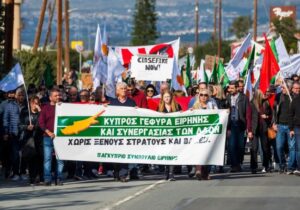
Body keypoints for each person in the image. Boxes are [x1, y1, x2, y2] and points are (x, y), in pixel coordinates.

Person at [109, 82, 136, 181]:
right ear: (117, 91)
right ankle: (116, 172)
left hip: (127, 133)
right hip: (116, 134)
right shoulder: (112, 103)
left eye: (125, 89)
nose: (124, 90)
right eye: (121, 88)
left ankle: (123, 174)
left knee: (124, 153)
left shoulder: (131, 102)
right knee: (116, 155)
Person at [38, 88, 64, 186]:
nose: (58, 97)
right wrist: (48, 132)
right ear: (50, 98)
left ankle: (59, 178)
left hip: (61, 137)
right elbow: (41, 122)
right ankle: (47, 178)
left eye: (59, 95)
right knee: (48, 158)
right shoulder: (45, 108)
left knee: (60, 159)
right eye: (56, 95)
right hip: (48, 137)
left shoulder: (64, 107)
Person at [226, 81, 251, 172]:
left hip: (241, 124)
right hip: (231, 124)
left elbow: (248, 113)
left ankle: (239, 163)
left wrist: (248, 128)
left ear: (237, 88)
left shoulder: (244, 98)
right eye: (229, 88)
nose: (230, 90)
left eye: (232, 88)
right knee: (231, 146)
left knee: (240, 146)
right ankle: (234, 165)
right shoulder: (228, 97)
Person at [192, 88, 217, 180]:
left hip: (209, 133)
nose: (203, 97)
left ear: (208, 96)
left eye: (205, 95)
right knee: (198, 151)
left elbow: (218, 114)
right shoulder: (195, 105)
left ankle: (206, 172)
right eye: (201, 95)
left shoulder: (212, 105)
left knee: (208, 152)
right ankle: (198, 170)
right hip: (198, 133)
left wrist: (225, 112)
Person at [157, 90, 182, 181]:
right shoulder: (159, 107)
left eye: (168, 96)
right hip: (164, 134)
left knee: (172, 152)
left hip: (174, 134)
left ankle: (171, 173)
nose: (167, 98)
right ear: (162, 98)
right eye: (165, 97)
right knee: (165, 153)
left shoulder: (177, 106)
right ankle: (167, 172)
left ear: (171, 97)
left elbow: (182, 117)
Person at [273, 81, 296, 174]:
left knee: (292, 147)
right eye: (281, 87)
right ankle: (282, 165)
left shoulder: (294, 97)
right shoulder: (278, 97)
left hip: (291, 127)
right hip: (280, 125)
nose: (281, 89)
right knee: (279, 146)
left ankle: (290, 167)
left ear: (289, 88)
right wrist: (274, 123)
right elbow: (274, 110)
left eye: (283, 87)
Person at [19, 96, 44, 185]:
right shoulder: (25, 112)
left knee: (40, 158)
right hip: (29, 138)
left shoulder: (41, 113)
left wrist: (40, 111)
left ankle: (41, 178)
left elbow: (43, 123)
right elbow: (20, 125)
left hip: (40, 138)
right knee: (31, 159)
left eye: (37, 103)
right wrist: (27, 127)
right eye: (33, 103)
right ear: (30, 104)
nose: (35, 105)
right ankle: (32, 178)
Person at [248, 90, 273, 174]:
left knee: (265, 148)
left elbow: (271, 115)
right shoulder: (252, 103)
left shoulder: (266, 102)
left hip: (264, 128)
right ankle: (253, 167)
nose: (264, 95)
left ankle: (266, 166)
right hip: (254, 128)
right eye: (263, 94)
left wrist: (267, 116)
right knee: (254, 148)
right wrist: (249, 130)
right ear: (258, 95)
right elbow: (249, 118)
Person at [2, 89, 21, 180]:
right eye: (18, 95)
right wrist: (6, 132)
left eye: (22, 95)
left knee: (21, 154)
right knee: (14, 154)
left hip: (24, 133)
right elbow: (5, 119)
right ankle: (14, 172)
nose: (20, 96)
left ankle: (20, 172)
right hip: (13, 133)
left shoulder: (26, 105)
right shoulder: (9, 105)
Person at [288, 87, 300, 176]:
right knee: (298, 148)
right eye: (296, 88)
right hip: (297, 127)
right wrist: (291, 128)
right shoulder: (295, 101)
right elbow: (290, 115)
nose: (298, 90)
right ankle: (298, 167)